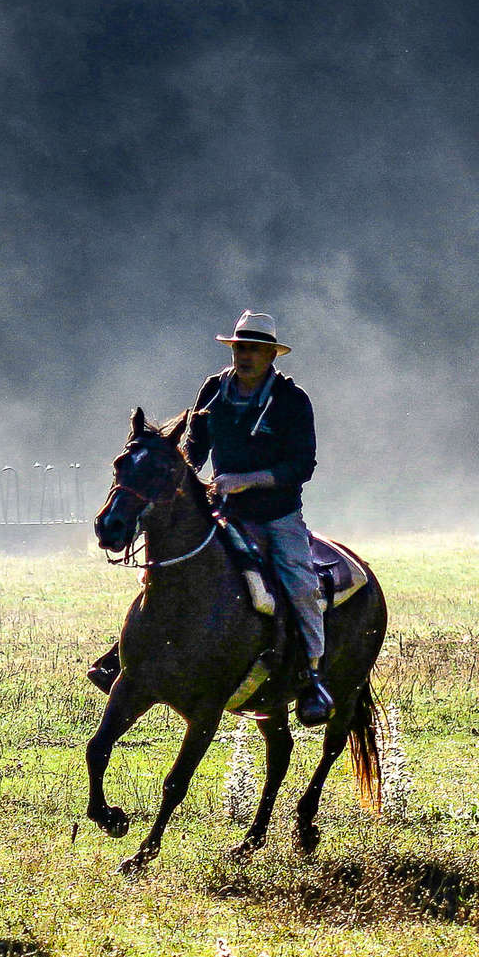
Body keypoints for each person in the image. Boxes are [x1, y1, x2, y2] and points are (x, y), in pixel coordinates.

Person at [86, 310, 332, 727]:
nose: (245, 356)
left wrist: (249, 480)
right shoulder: (215, 389)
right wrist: (181, 477)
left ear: (272, 354)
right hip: (222, 508)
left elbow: (301, 466)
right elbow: (195, 446)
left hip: (276, 515)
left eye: (254, 349)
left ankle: (312, 677)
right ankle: (126, 655)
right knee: (166, 569)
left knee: (299, 581)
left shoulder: (292, 401)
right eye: (240, 347)